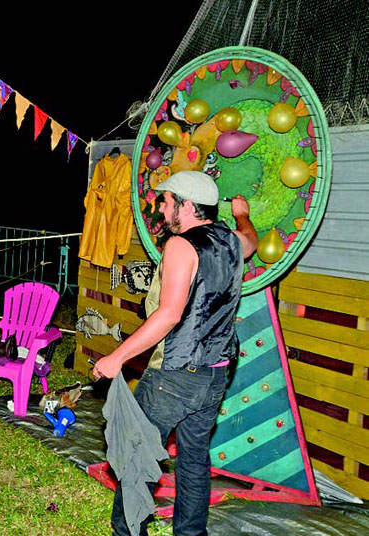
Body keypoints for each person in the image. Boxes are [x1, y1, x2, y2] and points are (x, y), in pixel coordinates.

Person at [92, 171, 258, 536]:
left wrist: (117, 357)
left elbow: (169, 315)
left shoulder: (181, 246)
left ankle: (128, 532)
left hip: (175, 375)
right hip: (216, 372)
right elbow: (251, 241)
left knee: (137, 458)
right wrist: (242, 213)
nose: (161, 210)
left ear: (186, 205)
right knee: (194, 460)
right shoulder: (231, 241)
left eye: (165, 202)